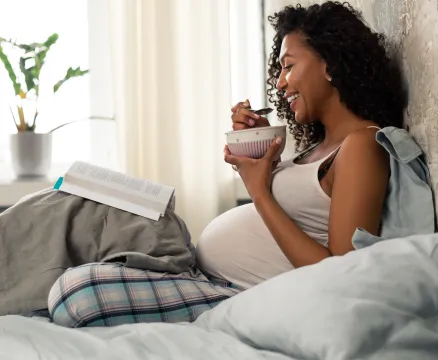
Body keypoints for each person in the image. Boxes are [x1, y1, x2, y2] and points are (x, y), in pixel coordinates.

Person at [48, 1, 408, 327]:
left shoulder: (362, 145)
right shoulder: (319, 146)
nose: (280, 84)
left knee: (75, 292)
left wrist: (259, 192)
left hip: (232, 293)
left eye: (288, 66)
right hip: (197, 271)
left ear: (330, 64)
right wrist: (261, 150)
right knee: (73, 218)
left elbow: (339, 273)